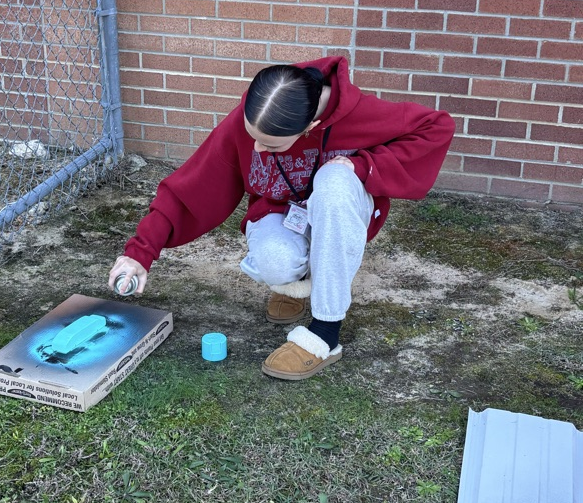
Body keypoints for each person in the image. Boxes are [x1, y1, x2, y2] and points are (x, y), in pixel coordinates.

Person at [107, 55, 455, 381]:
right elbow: (193, 187)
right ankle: (302, 280)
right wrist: (140, 252)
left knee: (333, 181)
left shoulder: (360, 113)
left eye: (271, 146)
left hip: (340, 208)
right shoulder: (258, 114)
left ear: (311, 126)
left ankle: (325, 332)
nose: (257, 150)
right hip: (282, 211)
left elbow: (436, 127)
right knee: (274, 262)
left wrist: (362, 165)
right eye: (253, 138)